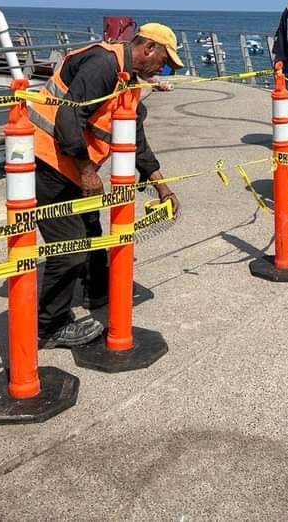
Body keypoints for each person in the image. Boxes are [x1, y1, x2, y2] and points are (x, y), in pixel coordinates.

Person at [28, 23, 183, 348]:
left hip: (72, 165)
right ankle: (49, 327)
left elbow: (134, 138)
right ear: (149, 48)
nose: (164, 69)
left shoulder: (129, 81)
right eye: (165, 61)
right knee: (68, 250)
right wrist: (88, 173)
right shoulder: (104, 64)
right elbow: (69, 118)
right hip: (47, 160)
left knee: (92, 237)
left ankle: (98, 292)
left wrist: (161, 185)